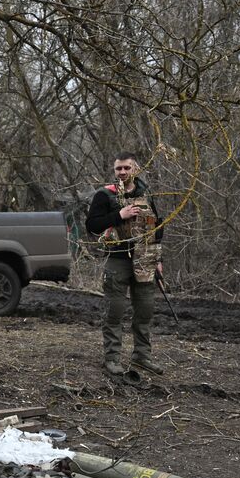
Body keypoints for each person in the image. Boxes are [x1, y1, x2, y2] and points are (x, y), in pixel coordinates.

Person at [85, 153, 165, 376]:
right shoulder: (105, 195)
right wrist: (119, 215)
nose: (122, 173)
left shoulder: (145, 193)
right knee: (114, 312)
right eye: (118, 168)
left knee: (145, 311)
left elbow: (158, 227)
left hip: (145, 259)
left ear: (135, 170)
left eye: (126, 168)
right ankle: (112, 359)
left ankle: (142, 357)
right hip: (117, 259)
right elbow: (92, 226)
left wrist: (158, 259)